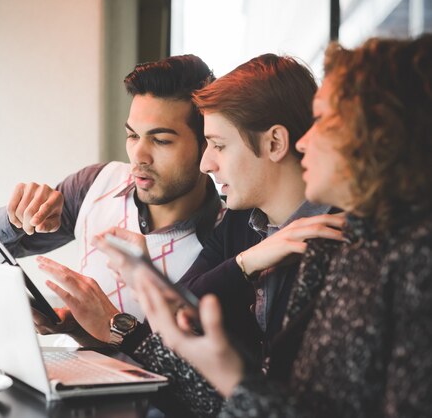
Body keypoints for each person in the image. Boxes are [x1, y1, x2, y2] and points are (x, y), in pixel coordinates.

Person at [122, 35, 432, 418]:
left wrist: (233, 379)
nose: (306, 141)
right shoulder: (346, 243)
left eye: (326, 121)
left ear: (383, 135)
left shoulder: (391, 251)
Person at [97, 53, 344, 416]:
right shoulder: (240, 225)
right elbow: (186, 309)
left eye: (219, 145)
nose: (205, 163)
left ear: (275, 143)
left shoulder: (341, 242)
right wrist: (247, 262)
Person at [0, 54, 224, 346]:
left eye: (160, 140)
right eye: (132, 136)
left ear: (205, 145)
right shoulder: (96, 185)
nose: (139, 156)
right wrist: (15, 220)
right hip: (74, 378)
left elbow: (192, 369)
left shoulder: (227, 237)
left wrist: (111, 325)